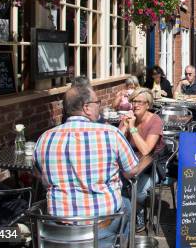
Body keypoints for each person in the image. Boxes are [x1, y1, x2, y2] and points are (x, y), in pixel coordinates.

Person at [34, 86, 149, 243]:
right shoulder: (111, 133)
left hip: (58, 228)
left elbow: (39, 175)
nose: (99, 106)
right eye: (97, 102)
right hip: (100, 226)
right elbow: (132, 171)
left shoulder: (44, 138)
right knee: (127, 205)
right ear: (86, 107)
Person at [118, 87, 165, 231]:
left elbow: (146, 150)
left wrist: (132, 128)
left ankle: (138, 210)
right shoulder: (129, 118)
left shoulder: (155, 121)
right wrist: (125, 127)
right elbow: (115, 142)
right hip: (131, 163)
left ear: (148, 105)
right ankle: (124, 216)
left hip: (153, 165)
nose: (135, 105)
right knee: (116, 186)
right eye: (133, 101)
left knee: (138, 190)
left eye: (139, 102)